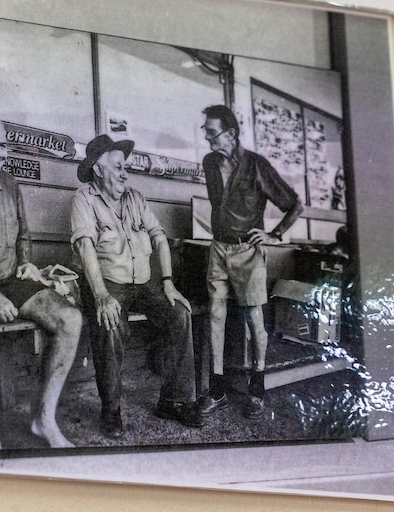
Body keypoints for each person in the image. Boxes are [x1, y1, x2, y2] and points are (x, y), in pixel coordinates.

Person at [0, 110, 82, 449]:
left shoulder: (9, 183)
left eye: (4, 145)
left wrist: (25, 263)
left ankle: (43, 420)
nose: (0, 152)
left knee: (70, 318)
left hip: (9, 278)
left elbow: (23, 235)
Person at [70, 135, 203, 438]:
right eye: (117, 167)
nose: (124, 173)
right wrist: (101, 295)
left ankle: (175, 401)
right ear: (98, 169)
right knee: (110, 321)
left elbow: (159, 238)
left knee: (179, 313)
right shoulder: (84, 199)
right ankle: (111, 409)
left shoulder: (136, 198)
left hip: (142, 284)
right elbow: (86, 248)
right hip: (106, 283)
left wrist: (168, 283)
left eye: (125, 167)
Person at [199, 105, 303, 419]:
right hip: (218, 249)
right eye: (205, 131)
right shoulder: (209, 163)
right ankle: (217, 391)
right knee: (216, 315)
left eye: (211, 132)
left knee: (254, 321)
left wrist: (275, 234)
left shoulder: (257, 166)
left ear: (230, 134)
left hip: (248, 252)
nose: (207, 137)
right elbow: (220, 205)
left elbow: (295, 204)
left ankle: (257, 390)